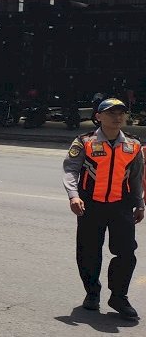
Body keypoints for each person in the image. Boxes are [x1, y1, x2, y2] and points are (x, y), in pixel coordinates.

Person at [63, 97, 145, 320]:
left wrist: (140, 203)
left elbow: (136, 177)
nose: (118, 117)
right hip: (91, 206)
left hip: (122, 206)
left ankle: (119, 296)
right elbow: (71, 170)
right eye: (111, 113)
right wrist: (73, 196)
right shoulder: (84, 142)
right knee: (89, 251)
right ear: (98, 117)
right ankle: (92, 293)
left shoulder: (133, 144)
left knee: (126, 253)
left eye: (121, 113)